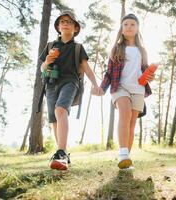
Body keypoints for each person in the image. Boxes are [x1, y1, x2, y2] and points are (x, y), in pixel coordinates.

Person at [39, 10, 101, 170]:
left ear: (75, 28)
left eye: (69, 21)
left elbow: (86, 68)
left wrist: (95, 84)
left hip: (70, 81)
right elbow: (42, 69)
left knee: (61, 110)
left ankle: (60, 153)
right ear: (58, 27)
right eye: (62, 21)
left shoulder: (78, 48)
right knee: (54, 119)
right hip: (51, 83)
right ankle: (63, 154)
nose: (65, 23)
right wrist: (46, 61)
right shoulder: (50, 46)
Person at [93, 14, 154, 169]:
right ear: (121, 28)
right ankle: (123, 154)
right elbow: (109, 72)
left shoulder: (142, 50)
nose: (129, 26)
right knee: (124, 115)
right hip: (119, 86)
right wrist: (102, 88)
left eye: (132, 24)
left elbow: (145, 70)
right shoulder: (117, 49)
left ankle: (126, 161)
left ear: (137, 28)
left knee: (132, 123)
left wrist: (150, 76)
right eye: (125, 24)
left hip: (138, 89)